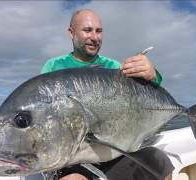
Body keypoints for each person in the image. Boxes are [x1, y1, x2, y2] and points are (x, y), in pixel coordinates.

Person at [40, 9, 174, 180]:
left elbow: (144, 93)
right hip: (72, 159)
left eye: (99, 31)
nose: (94, 37)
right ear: (71, 32)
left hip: (113, 151)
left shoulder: (113, 67)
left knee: (160, 163)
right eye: (87, 30)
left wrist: (153, 74)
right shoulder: (53, 68)